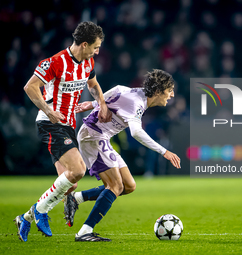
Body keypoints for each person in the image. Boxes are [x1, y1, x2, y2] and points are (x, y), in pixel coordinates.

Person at [14, 21, 112, 242]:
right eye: (95, 47)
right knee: (78, 169)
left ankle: (27, 217)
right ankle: (40, 212)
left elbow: (93, 85)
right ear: (84, 44)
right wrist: (48, 111)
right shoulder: (55, 62)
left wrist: (102, 104)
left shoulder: (88, 62)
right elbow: (30, 87)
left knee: (70, 184)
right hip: (50, 123)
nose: (97, 51)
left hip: (68, 126)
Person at [65, 69, 181, 241]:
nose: (171, 95)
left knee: (128, 185)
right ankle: (84, 232)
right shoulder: (138, 104)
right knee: (115, 186)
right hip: (94, 137)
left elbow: (115, 92)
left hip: (101, 137)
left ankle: (76, 198)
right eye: (169, 90)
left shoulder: (133, 92)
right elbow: (136, 132)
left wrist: (93, 104)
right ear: (157, 91)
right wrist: (164, 151)